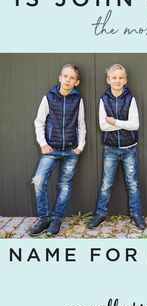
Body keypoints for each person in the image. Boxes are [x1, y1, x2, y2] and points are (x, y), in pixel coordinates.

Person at [29, 64, 86, 236]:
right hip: (51, 149)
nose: (68, 80)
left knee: (65, 185)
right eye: (65, 76)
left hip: (71, 150)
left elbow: (81, 124)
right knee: (38, 180)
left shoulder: (78, 99)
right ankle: (44, 218)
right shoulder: (49, 97)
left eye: (72, 78)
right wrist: (43, 144)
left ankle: (57, 219)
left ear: (76, 82)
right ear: (60, 78)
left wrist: (80, 146)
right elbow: (39, 121)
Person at [88, 64, 146, 230]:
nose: (117, 80)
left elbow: (135, 125)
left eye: (121, 77)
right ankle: (100, 213)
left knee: (132, 183)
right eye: (114, 77)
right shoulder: (103, 99)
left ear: (125, 80)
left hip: (129, 148)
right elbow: (103, 126)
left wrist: (115, 122)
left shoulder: (130, 99)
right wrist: (123, 124)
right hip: (110, 149)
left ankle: (136, 214)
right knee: (106, 183)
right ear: (108, 80)